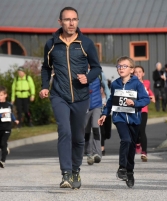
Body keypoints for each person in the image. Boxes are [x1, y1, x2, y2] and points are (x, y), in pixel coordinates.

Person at [39, 7, 101, 189]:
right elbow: (45, 68)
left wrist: (87, 77)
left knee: (79, 137)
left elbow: (97, 68)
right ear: (60, 22)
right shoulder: (51, 44)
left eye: (74, 19)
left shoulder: (86, 43)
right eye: (67, 20)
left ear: (78, 21)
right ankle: (65, 173)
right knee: (64, 131)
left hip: (81, 96)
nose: (71, 23)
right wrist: (44, 86)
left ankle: (75, 170)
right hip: (59, 95)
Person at [98, 56, 150, 188]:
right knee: (125, 140)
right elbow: (110, 101)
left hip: (134, 119)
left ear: (132, 69)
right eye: (119, 66)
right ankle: (122, 168)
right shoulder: (115, 84)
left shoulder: (137, 84)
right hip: (119, 117)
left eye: (124, 66)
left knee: (132, 146)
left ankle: (130, 171)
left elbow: (146, 99)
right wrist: (105, 113)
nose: (121, 68)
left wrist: (135, 103)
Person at [0, 86, 19, 168]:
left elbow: (11, 114)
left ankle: (2, 161)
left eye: (1, 95)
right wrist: (0, 116)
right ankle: (5, 149)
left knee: (3, 143)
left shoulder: (9, 105)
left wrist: (14, 120)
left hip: (7, 127)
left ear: (5, 95)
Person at [134, 66, 155, 162]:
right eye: (136, 72)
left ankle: (144, 152)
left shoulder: (146, 83)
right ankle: (137, 143)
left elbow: (148, 91)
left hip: (143, 110)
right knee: (136, 131)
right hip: (134, 110)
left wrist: (152, 96)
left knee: (142, 130)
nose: (138, 74)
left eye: (140, 72)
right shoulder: (131, 84)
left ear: (143, 73)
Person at [84, 74, 103, 165]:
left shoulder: (99, 74)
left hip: (97, 106)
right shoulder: (79, 73)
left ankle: (97, 153)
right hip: (85, 106)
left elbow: (105, 87)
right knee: (86, 130)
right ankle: (89, 153)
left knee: (95, 127)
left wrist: (106, 100)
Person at [100, 86, 111, 156]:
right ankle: (102, 148)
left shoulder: (107, 96)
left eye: (101, 88)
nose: (100, 90)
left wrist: (106, 104)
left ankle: (105, 136)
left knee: (108, 134)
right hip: (100, 115)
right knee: (102, 132)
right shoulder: (97, 98)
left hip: (108, 115)